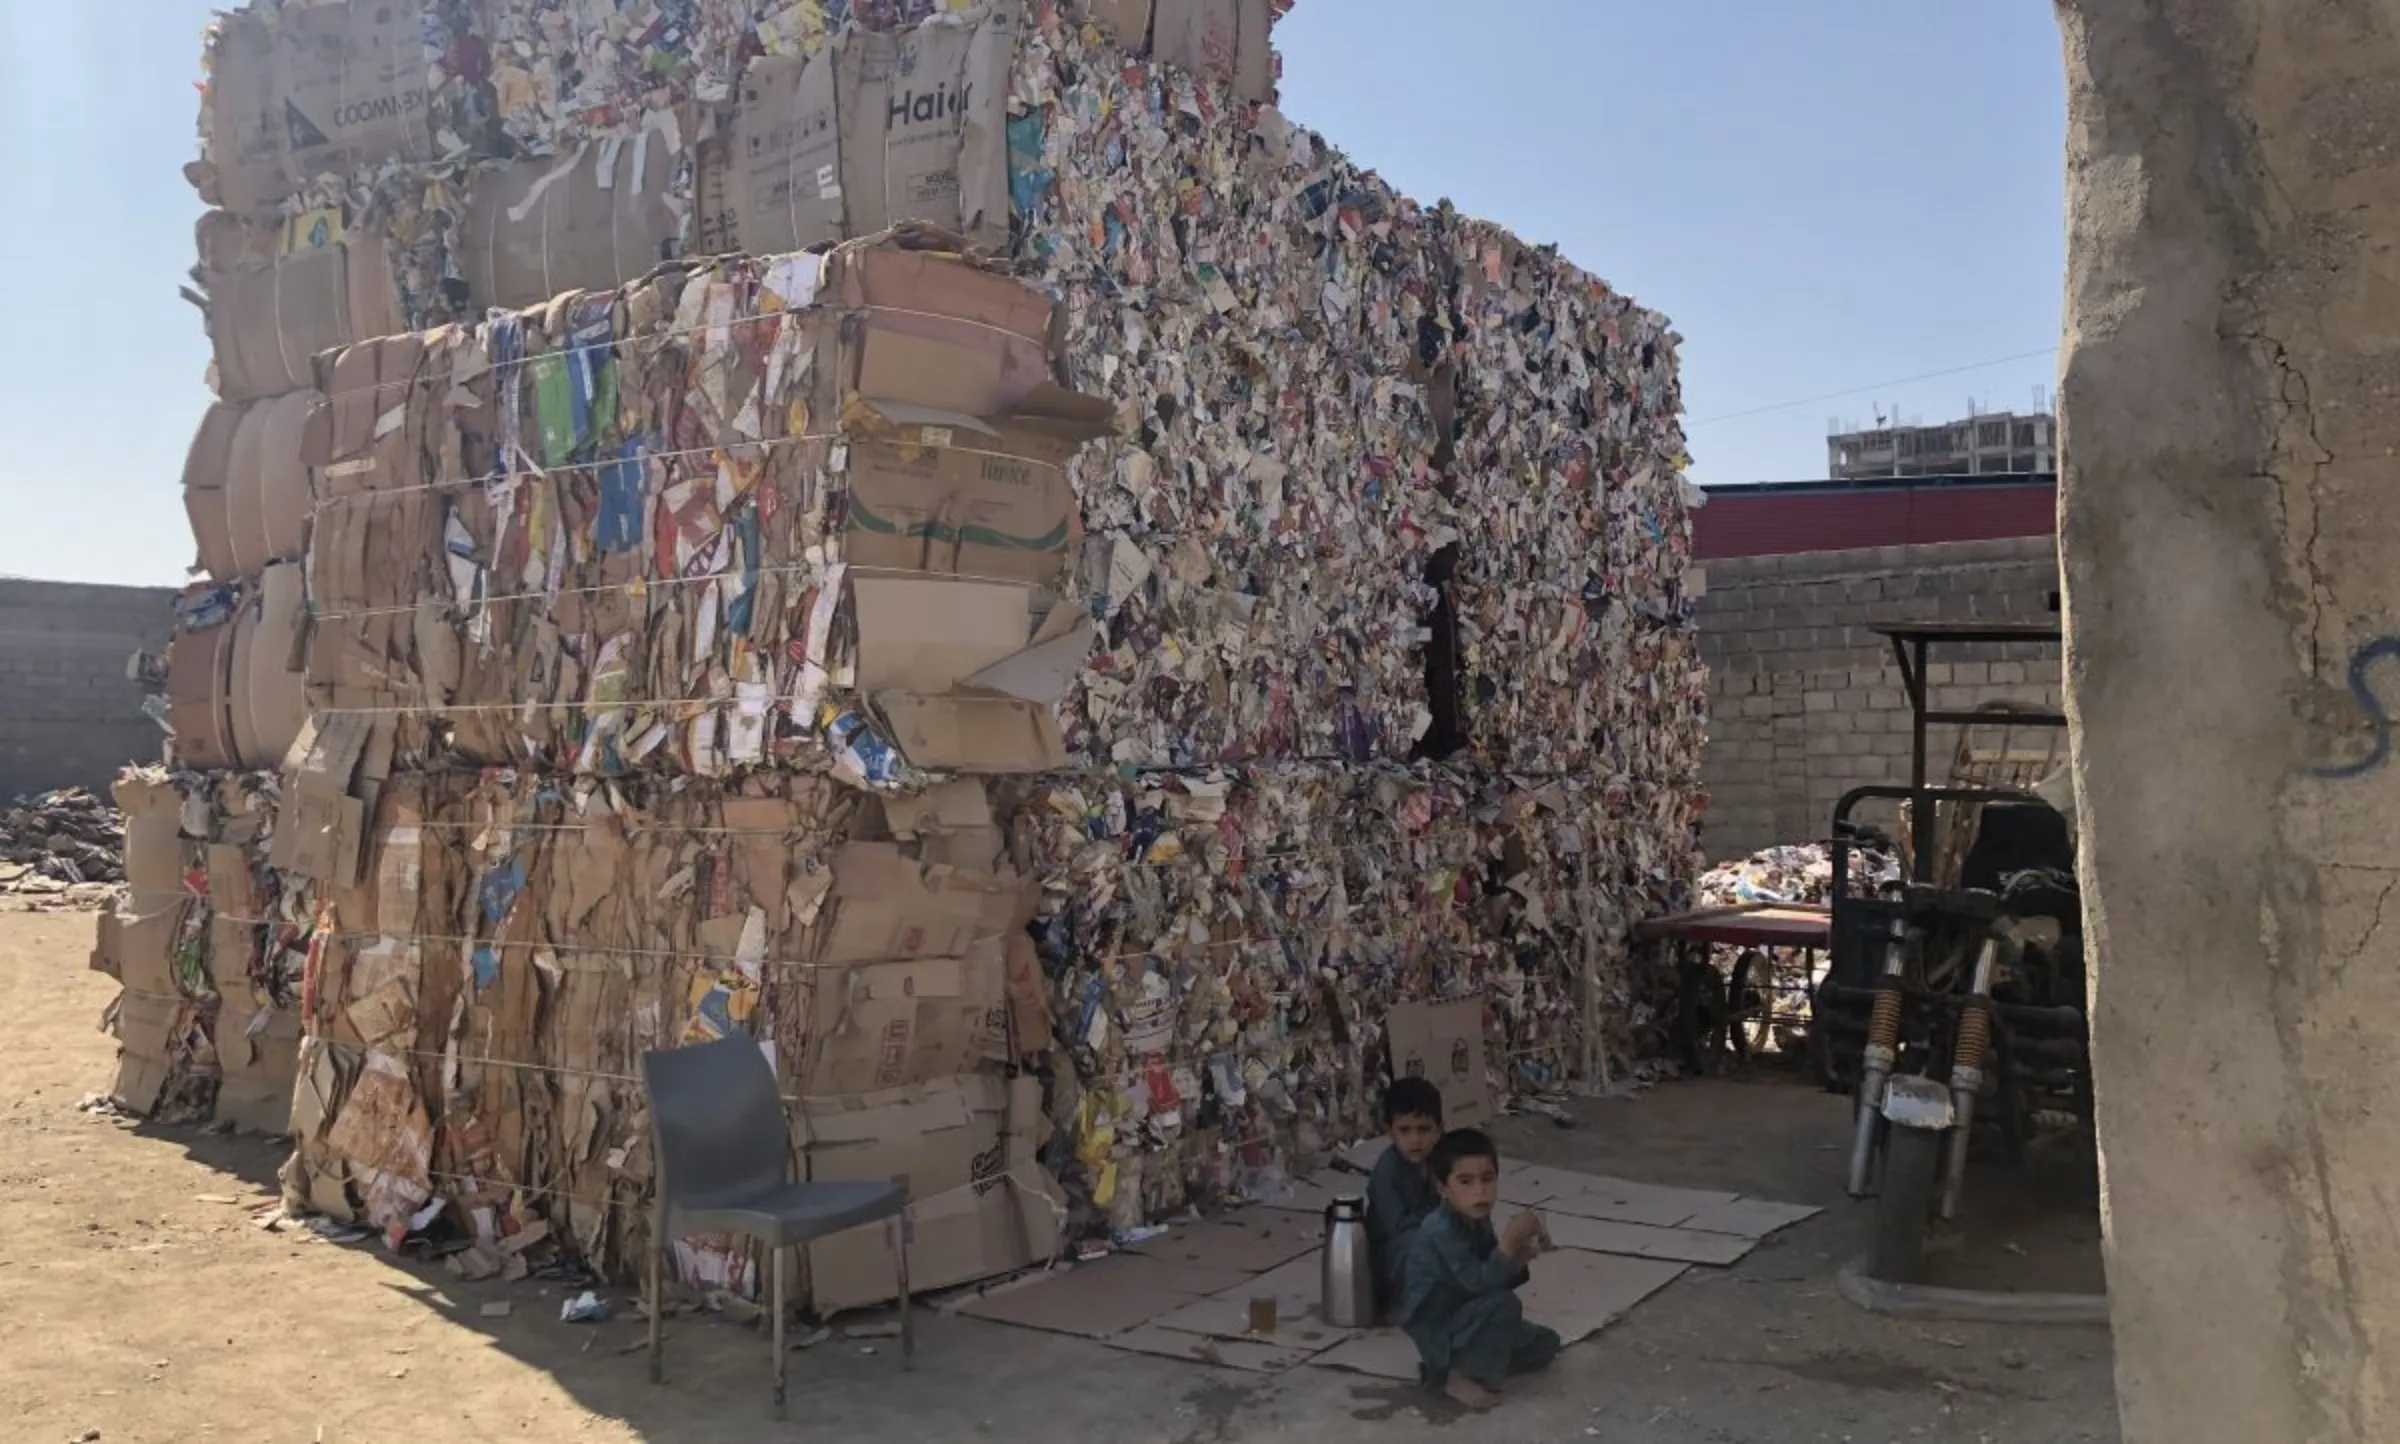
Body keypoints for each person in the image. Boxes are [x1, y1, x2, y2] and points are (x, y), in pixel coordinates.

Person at [1400, 1128, 1563, 1411]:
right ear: (1443, 1189)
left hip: (1468, 1312)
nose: (1480, 1191)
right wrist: (1509, 1243)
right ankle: (1455, 1375)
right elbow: (1479, 1283)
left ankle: (1472, 1358)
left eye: (1487, 1180)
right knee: (1504, 1306)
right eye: (1466, 1182)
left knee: (1546, 1344)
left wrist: (1524, 1254)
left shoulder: (1478, 1219)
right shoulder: (1439, 1228)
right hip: (1438, 1324)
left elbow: (1493, 1274)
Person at [1365, 1076, 1445, 1319]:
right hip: (1394, 1258)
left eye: (1423, 1129)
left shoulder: (1442, 1161)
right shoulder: (1387, 1172)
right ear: (1390, 1131)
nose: (1415, 1140)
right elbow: (1401, 1229)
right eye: (1405, 1130)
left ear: (1439, 1130)